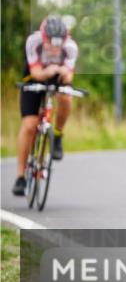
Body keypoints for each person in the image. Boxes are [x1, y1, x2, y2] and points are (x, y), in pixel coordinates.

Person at [13, 16, 79, 196]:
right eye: (50, 43)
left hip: (56, 79)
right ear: (43, 37)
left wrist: (64, 74)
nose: (55, 48)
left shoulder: (71, 47)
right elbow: (35, 72)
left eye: (59, 43)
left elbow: (69, 78)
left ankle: (57, 135)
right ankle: (20, 176)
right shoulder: (33, 42)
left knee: (66, 97)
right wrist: (47, 71)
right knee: (29, 125)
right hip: (34, 78)